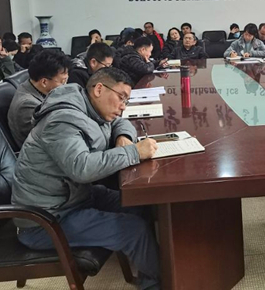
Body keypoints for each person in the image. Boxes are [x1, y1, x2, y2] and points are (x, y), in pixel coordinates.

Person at [12, 68, 160, 290]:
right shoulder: (62, 120)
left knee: (140, 204)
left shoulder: (89, 106)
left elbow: (119, 122)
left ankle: (153, 273)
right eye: (121, 98)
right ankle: (157, 284)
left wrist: (123, 136)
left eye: (126, 100)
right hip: (46, 220)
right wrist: (134, 152)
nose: (123, 106)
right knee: (134, 230)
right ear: (99, 89)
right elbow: (82, 168)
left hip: (74, 197)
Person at [8, 50, 71, 147]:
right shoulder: (27, 105)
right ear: (44, 82)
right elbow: (53, 137)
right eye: (63, 81)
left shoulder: (36, 86)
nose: (65, 85)